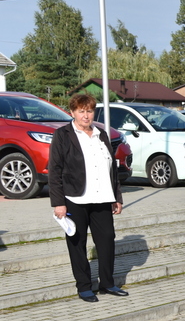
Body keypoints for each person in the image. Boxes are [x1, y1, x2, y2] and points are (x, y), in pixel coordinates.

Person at [48, 93, 126, 303]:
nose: (86, 115)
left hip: (102, 197)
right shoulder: (63, 135)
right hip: (75, 198)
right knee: (77, 242)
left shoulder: (101, 134)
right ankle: (84, 286)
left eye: (89, 111)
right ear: (72, 112)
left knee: (107, 239)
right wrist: (58, 203)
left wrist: (116, 197)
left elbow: (112, 169)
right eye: (81, 111)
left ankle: (107, 283)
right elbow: (54, 170)